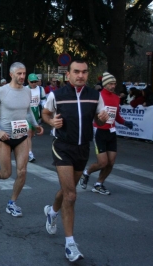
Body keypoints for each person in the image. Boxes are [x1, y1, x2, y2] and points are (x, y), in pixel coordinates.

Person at [41, 59, 109, 262]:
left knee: (67, 189)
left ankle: (52, 211)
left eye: (84, 72)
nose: (80, 75)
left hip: (82, 148)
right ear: (68, 74)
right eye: (76, 72)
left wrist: (101, 120)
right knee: (71, 195)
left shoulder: (95, 96)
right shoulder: (57, 95)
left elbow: (97, 119)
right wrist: (51, 121)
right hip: (62, 146)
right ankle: (70, 244)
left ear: (88, 74)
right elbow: (45, 112)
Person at [0, 62, 44, 217]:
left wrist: (36, 125)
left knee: (22, 172)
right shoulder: (2, 91)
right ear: (11, 74)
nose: (22, 76)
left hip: (21, 136)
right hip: (5, 137)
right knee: (6, 174)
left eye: (24, 73)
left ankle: (12, 203)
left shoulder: (27, 92)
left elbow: (28, 110)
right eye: (19, 74)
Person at [80, 72, 134, 195]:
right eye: (110, 83)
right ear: (105, 84)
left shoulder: (116, 98)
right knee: (102, 163)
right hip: (99, 131)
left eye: (114, 83)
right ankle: (86, 173)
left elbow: (116, 116)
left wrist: (125, 123)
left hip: (111, 132)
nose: (113, 86)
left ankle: (99, 184)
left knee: (111, 162)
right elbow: (90, 113)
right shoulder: (98, 96)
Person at [26, 73, 46, 162]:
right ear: (28, 81)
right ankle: (30, 153)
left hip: (36, 112)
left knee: (32, 134)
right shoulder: (24, 89)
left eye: (35, 81)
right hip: (26, 112)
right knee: (29, 133)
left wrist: (45, 109)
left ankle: (26, 148)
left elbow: (43, 100)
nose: (34, 83)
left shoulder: (41, 89)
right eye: (32, 82)